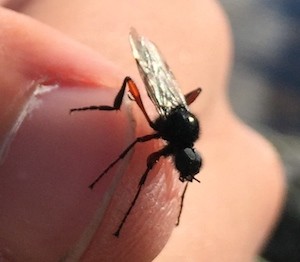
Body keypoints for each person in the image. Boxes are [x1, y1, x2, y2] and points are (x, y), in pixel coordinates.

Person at [0, 1, 285, 261]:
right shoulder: (173, 138)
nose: (181, 173)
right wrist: (113, 170)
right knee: (134, 133)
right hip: (163, 106)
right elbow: (135, 144)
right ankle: (109, 108)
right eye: (184, 169)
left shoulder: (183, 137)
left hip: (172, 110)